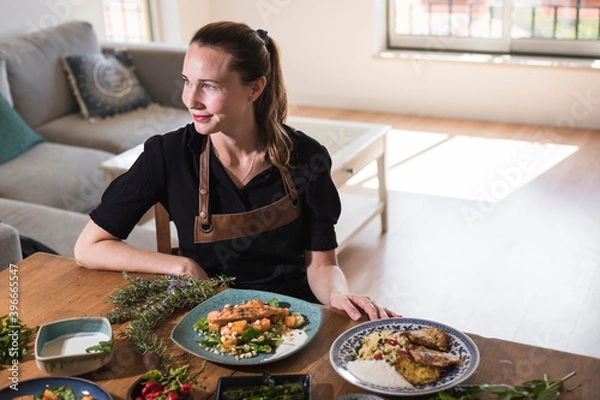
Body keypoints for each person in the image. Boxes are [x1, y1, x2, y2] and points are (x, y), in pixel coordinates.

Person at [74, 21, 399, 321]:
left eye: (209, 87)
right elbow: (88, 247)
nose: (191, 99)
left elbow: (322, 264)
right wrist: (181, 266)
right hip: (209, 319)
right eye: (187, 82)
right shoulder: (168, 154)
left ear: (255, 88)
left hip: (296, 318)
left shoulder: (307, 158)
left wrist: (337, 294)